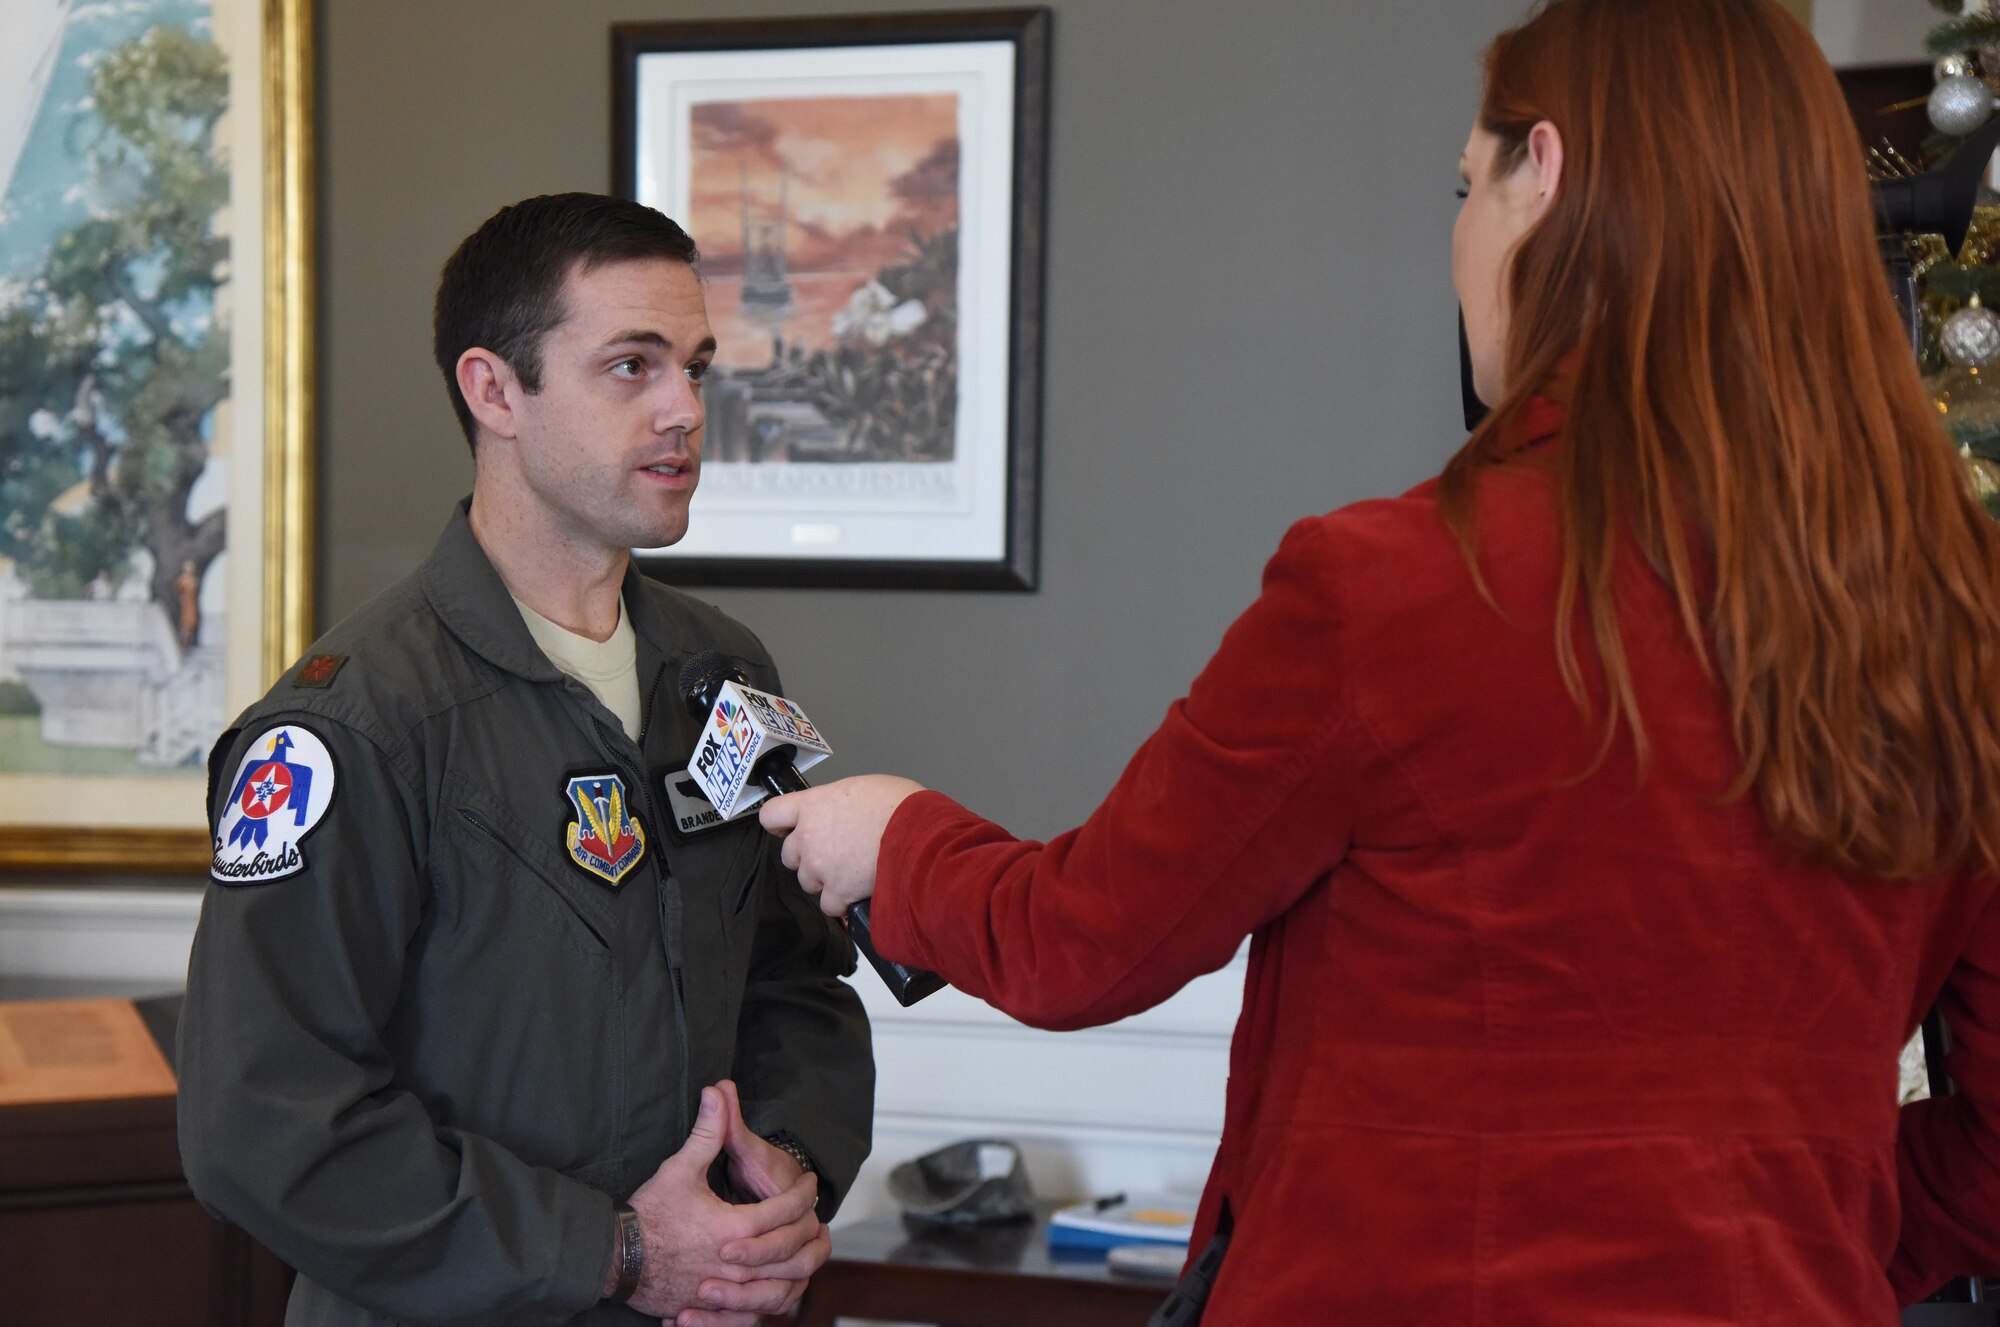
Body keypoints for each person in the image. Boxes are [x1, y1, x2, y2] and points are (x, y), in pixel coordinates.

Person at [762, 2, 2000, 1322]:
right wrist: (1800, 1239)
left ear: (1548, 177)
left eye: (1467, 186)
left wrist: (900, 842)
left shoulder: (1395, 588)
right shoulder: (1951, 612)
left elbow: (1085, 940)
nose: (1461, 235)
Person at [179, 193, 874, 1327]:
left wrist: (786, 1164)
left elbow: (793, 977)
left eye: (695, 367)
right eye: (629, 367)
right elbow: (264, 1122)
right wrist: (613, 1251)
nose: (683, 411)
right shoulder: (348, 728)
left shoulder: (718, 669)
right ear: (494, 390)